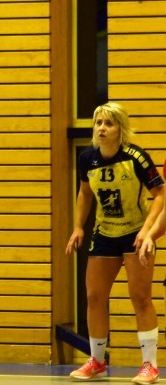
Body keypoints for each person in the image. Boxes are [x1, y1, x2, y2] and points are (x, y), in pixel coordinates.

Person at [66, 102, 164, 384]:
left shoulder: (136, 157)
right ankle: (97, 361)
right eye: (98, 123)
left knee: (140, 298)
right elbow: (85, 193)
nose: (102, 128)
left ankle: (150, 366)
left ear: (121, 128)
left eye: (108, 123)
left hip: (135, 233)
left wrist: (147, 231)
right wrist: (77, 227)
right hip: (105, 234)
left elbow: (160, 194)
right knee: (95, 297)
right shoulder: (87, 158)